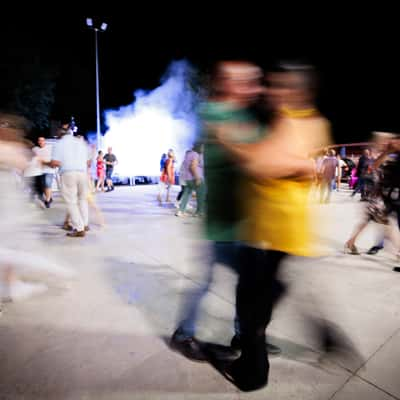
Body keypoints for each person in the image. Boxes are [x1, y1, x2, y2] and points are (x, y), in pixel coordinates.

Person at [209, 62, 335, 391]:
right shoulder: (295, 120)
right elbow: (279, 161)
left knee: (253, 310)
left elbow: (264, 164)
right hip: (270, 230)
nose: (269, 91)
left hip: (273, 232)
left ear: (296, 91)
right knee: (256, 305)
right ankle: (258, 359)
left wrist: (231, 142)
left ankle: (253, 373)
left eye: (278, 86)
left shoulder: (298, 122)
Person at [170, 60, 283, 361]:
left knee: (248, 284)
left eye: (254, 81)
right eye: (244, 81)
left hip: (244, 218)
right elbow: (254, 156)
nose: (253, 87)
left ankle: (243, 335)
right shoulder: (214, 112)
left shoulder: (243, 115)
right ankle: (184, 334)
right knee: (210, 281)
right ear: (225, 83)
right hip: (222, 218)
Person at [47, 124, 92, 237]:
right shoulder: (80, 142)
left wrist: (45, 163)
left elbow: (55, 163)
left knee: (71, 201)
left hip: (68, 174)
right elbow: (88, 162)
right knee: (82, 199)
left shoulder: (60, 144)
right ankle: (85, 224)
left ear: (60, 134)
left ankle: (79, 228)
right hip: (82, 173)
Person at [175, 143, 205, 217]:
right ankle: (199, 212)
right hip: (195, 177)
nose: (203, 149)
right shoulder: (196, 155)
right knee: (201, 194)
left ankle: (181, 211)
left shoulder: (188, 154)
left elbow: (186, 166)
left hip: (188, 178)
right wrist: (197, 178)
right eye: (203, 147)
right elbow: (193, 167)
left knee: (187, 194)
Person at [35, 136, 55, 208]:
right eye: (39, 140)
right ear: (38, 142)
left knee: (47, 184)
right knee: (43, 186)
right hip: (40, 170)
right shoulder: (36, 149)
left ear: (45, 141)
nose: (41, 142)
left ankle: (47, 201)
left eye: (42, 140)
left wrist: (47, 162)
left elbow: (53, 158)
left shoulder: (49, 148)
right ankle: (49, 197)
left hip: (49, 170)